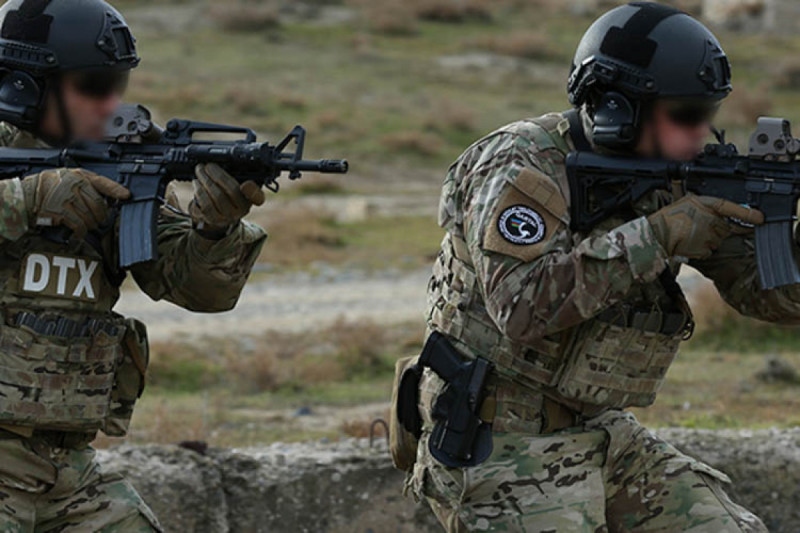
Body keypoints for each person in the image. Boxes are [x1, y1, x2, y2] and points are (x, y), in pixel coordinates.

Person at [404, 2, 792, 531]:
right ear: (618, 108)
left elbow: (765, 293)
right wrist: (660, 235)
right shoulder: (523, 164)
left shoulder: (675, 177)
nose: (702, 132)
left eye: (709, 113)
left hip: (601, 431)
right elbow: (520, 308)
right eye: (686, 115)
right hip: (498, 437)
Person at [0, 0, 267, 530]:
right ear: (24, 86)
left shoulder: (116, 163)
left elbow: (203, 292)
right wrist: (26, 200)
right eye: (94, 86)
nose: (111, 104)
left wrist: (214, 230)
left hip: (67, 472)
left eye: (117, 86)